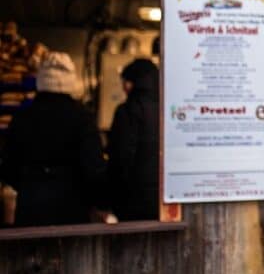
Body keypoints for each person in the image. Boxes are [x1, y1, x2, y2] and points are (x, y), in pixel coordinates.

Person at [0, 52, 108, 226]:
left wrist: (32, 186)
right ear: (70, 81)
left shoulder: (22, 118)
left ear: (40, 81)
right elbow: (94, 169)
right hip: (72, 210)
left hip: (30, 209)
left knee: (32, 254)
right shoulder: (82, 118)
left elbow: (8, 168)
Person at [107, 58, 160, 221]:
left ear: (130, 83)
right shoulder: (168, 109)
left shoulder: (127, 111)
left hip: (132, 200)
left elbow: (120, 157)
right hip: (162, 200)